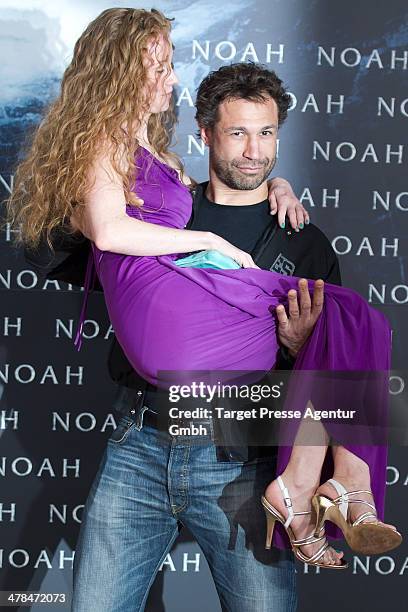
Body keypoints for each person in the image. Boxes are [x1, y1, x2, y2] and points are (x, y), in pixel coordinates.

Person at [5, 7, 401, 611]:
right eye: (238, 132)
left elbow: (319, 366)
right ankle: (322, 492)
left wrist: (299, 344)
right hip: (144, 437)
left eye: (266, 134)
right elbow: (112, 225)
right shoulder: (180, 201)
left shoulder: (301, 236)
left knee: (351, 327)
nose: (254, 150)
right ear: (206, 133)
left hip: (239, 449)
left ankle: (325, 488)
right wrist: (211, 239)